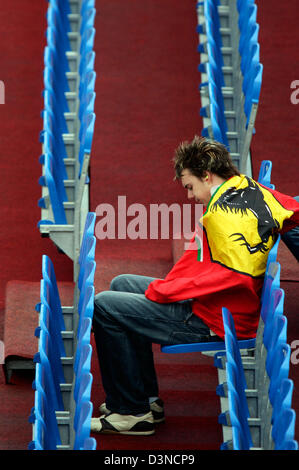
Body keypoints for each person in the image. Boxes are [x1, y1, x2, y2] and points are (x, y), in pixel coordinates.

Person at [90, 136, 299, 436]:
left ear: (207, 175)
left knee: (105, 306)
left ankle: (131, 412)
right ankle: (145, 399)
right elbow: (292, 209)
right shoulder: (249, 188)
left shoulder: (223, 216)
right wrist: (171, 286)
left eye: (189, 186)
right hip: (218, 305)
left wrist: (165, 291)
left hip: (216, 319)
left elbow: (234, 276)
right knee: (121, 283)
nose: (189, 197)